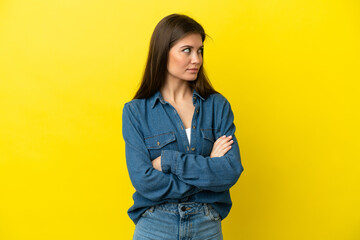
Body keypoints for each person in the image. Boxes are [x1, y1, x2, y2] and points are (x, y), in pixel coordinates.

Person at [122, 13, 244, 240]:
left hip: (206, 227)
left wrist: (169, 161)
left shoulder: (217, 106)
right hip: (155, 226)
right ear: (162, 53)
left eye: (200, 50)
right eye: (186, 50)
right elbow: (144, 181)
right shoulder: (136, 112)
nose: (196, 59)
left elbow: (231, 171)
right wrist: (209, 171)